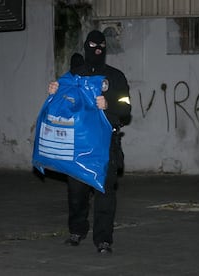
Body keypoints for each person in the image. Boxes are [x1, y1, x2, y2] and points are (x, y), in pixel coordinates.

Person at [48, 30, 131, 254]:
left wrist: (109, 105)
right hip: (79, 144)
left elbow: (126, 108)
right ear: (86, 47)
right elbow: (62, 104)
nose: (97, 49)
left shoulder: (116, 76)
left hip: (105, 144)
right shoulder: (75, 75)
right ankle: (77, 230)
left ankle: (103, 239)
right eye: (93, 45)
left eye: (102, 46)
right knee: (77, 193)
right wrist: (55, 92)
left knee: (105, 194)